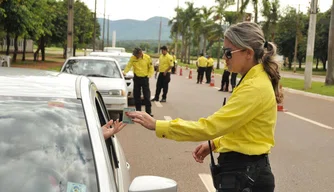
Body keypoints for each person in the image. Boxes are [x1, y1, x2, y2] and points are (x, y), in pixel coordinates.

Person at [126, 22, 281, 192]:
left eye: (228, 53)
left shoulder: (254, 87)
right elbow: (243, 130)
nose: (224, 58)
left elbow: (210, 127)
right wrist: (215, 143)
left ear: (248, 53)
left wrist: (158, 125)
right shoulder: (252, 80)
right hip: (244, 172)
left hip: (246, 175)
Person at [123, 47, 154, 116]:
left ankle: (148, 112)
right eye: (135, 55)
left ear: (140, 53)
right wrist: (125, 72)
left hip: (145, 78)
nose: (136, 56)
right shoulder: (133, 58)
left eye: (136, 55)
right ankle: (138, 112)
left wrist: (149, 75)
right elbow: (128, 66)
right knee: (137, 96)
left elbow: (151, 67)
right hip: (137, 78)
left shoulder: (147, 58)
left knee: (146, 96)